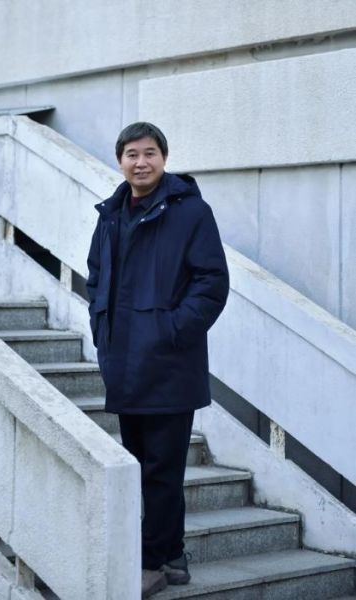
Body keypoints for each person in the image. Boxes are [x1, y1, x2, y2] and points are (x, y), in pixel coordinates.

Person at [86, 122, 229, 598]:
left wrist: (172, 331)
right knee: (140, 468)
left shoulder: (191, 212)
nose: (140, 162)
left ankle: (151, 562)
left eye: (149, 153)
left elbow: (212, 282)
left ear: (164, 158)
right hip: (125, 364)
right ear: (120, 160)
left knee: (162, 471)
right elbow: (96, 277)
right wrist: (103, 333)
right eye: (131, 154)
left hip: (170, 365)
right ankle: (172, 555)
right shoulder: (110, 214)